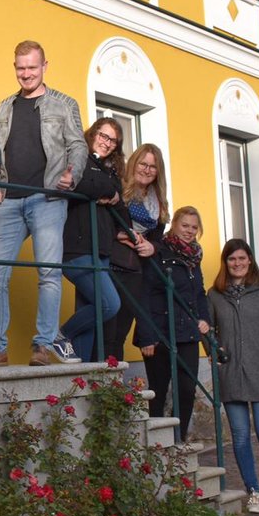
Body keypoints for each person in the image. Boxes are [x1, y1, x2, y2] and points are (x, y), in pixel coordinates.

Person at [0, 40, 88, 366]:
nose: (26, 73)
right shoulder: (4, 107)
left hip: (48, 198)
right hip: (7, 199)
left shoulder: (64, 104)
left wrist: (72, 174)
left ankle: (43, 345)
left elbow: (78, 145)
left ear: (44, 66)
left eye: (32, 67)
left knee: (48, 273)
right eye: (21, 67)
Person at [208, 238, 259, 514]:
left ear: (250, 260)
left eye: (242, 258)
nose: (237, 263)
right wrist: (215, 353)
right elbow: (207, 331)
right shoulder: (215, 295)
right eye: (232, 259)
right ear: (225, 262)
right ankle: (253, 491)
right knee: (240, 437)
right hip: (231, 374)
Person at [59, 118, 144, 363]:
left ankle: (81, 372)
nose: (107, 143)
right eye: (103, 136)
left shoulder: (110, 171)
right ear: (93, 133)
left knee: (90, 310)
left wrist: (112, 195)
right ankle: (62, 335)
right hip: (78, 248)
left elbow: (122, 212)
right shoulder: (78, 157)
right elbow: (79, 183)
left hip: (101, 250)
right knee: (109, 305)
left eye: (113, 141)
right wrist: (109, 191)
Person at [134, 206, 212, 444]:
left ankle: (178, 439)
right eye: (184, 225)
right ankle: (156, 443)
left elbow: (199, 293)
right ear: (174, 224)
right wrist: (146, 335)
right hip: (159, 332)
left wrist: (204, 319)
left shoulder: (194, 257)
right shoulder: (159, 251)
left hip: (187, 332)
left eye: (194, 227)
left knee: (187, 389)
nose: (189, 231)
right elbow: (144, 294)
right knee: (158, 390)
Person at [104, 143, 169, 358]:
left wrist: (152, 246)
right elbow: (102, 219)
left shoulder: (158, 200)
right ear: (133, 164)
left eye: (153, 166)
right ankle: (100, 375)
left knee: (120, 332)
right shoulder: (118, 186)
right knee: (107, 327)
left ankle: (115, 376)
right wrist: (118, 233)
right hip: (113, 263)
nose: (147, 170)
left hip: (136, 270)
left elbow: (158, 239)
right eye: (143, 164)